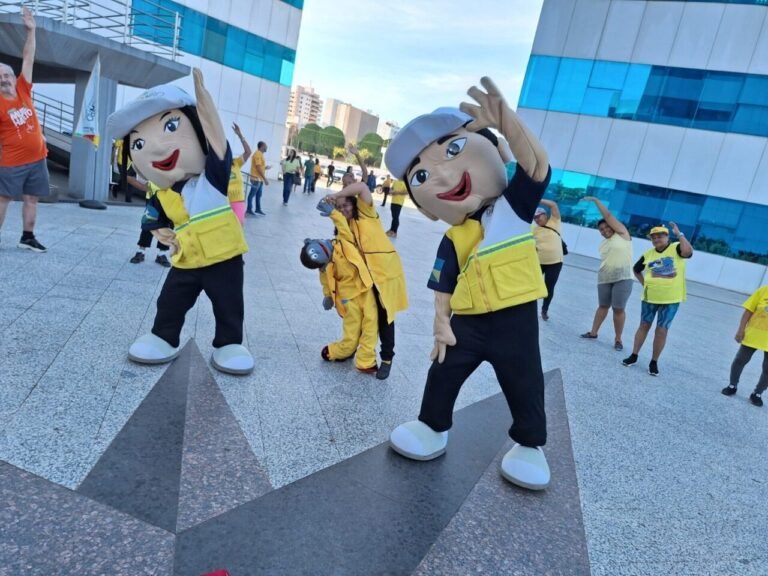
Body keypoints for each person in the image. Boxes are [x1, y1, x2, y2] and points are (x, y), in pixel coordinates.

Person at [383, 78, 552, 490]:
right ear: (423, 207)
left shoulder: (512, 211)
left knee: (524, 379)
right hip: (467, 320)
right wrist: (441, 321)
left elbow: (537, 168)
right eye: (422, 175)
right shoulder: (454, 237)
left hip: (515, 319)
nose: (441, 175)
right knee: (443, 371)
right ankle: (432, 425)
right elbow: (443, 281)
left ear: (495, 152)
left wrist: (507, 121)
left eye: (453, 149)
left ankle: (530, 444)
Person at [107, 69, 254, 375]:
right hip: (186, 259)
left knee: (228, 304)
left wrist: (205, 104)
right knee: (170, 301)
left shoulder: (212, 180)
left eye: (171, 126)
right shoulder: (162, 191)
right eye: (139, 144)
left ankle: (229, 343)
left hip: (224, 257)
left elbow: (217, 141)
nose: (156, 148)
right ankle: (163, 336)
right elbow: (154, 214)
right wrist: (158, 229)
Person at [325, 145, 408, 380]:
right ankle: (358, 351)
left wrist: (338, 194)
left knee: (385, 317)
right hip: (365, 279)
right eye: (340, 208)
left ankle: (387, 358)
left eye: (346, 204)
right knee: (363, 316)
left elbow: (362, 185)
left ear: (353, 202)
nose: (344, 209)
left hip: (384, 274)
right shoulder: (344, 226)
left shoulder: (368, 212)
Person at [300, 199, 379, 374]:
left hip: (365, 290)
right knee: (352, 330)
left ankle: (366, 360)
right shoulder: (325, 268)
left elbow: (343, 226)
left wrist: (333, 214)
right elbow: (325, 282)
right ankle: (338, 351)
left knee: (371, 325)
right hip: (347, 299)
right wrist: (327, 296)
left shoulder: (342, 242)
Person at [0, 7, 47, 253]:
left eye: (7, 74)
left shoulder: (22, 88)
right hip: (13, 162)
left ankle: (27, 236)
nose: (5, 79)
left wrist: (31, 31)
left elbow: (28, 57)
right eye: (0, 77)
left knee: (32, 198)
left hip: (38, 158)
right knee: (3, 198)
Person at [622, 222, 693, 376]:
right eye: (654, 237)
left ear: (667, 237)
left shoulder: (676, 248)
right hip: (650, 298)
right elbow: (636, 269)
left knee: (661, 330)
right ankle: (634, 355)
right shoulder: (649, 254)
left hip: (671, 299)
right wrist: (645, 284)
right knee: (644, 326)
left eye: (660, 236)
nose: (657, 239)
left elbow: (688, 252)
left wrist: (679, 234)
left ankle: (654, 362)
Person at [579, 196, 633, 350]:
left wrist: (596, 201)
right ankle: (593, 332)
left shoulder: (622, 234)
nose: (604, 231)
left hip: (623, 278)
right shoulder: (604, 242)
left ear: (612, 226)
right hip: (604, 278)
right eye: (601, 230)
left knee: (618, 308)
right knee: (603, 305)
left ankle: (618, 339)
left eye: (606, 227)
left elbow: (608, 216)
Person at [721, 285, 768, 407]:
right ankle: (732, 385)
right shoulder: (763, 290)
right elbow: (748, 311)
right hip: (753, 334)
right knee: (740, 360)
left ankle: (757, 394)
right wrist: (740, 330)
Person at [532, 199, 564, 321]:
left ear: (545, 215)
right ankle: (529, 309)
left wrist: (538, 198)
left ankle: (545, 310)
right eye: (535, 218)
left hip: (555, 262)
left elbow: (554, 205)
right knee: (534, 285)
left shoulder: (554, 222)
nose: (537, 219)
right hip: (539, 262)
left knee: (549, 287)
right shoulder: (534, 229)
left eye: (539, 217)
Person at [227, 122, 251, 225]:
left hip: (238, 201)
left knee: (238, 230)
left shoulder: (236, 163)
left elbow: (248, 152)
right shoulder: (217, 167)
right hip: (223, 204)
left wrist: (240, 135)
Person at [247, 141, 268, 215]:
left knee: (258, 195)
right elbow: (258, 168)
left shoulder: (261, 154)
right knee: (252, 195)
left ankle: (258, 209)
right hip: (256, 178)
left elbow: (260, 167)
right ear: (262, 146)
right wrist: (265, 179)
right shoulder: (257, 154)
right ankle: (249, 209)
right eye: (266, 146)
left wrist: (265, 168)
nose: (266, 147)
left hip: (259, 179)